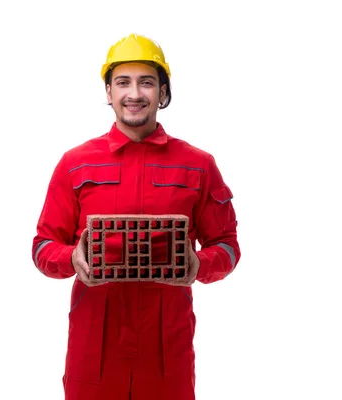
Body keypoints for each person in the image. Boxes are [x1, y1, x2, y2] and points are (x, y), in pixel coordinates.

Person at [32, 33, 241, 400]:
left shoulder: (198, 165)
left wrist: (199, 264)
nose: (134, 93)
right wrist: (71, 258)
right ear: (109, 92)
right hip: (94, 341)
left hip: (167, 346)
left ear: (162, 92)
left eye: (146, 82)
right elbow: (42, 246)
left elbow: (227, 247)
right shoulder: (75, 163)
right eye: (123, 82)